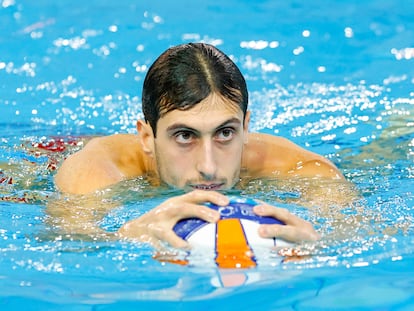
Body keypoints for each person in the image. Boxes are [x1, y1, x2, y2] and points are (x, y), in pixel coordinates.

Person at [55, 42, 349, 249]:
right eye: (184, 136)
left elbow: (361, 231)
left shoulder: (304, 169)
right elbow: (68, 241)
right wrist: (125, 236)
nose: (209, 168)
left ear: (246, 128)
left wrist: (320, 245)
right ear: (147, 137)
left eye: (225, 133)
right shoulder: (96, 174)